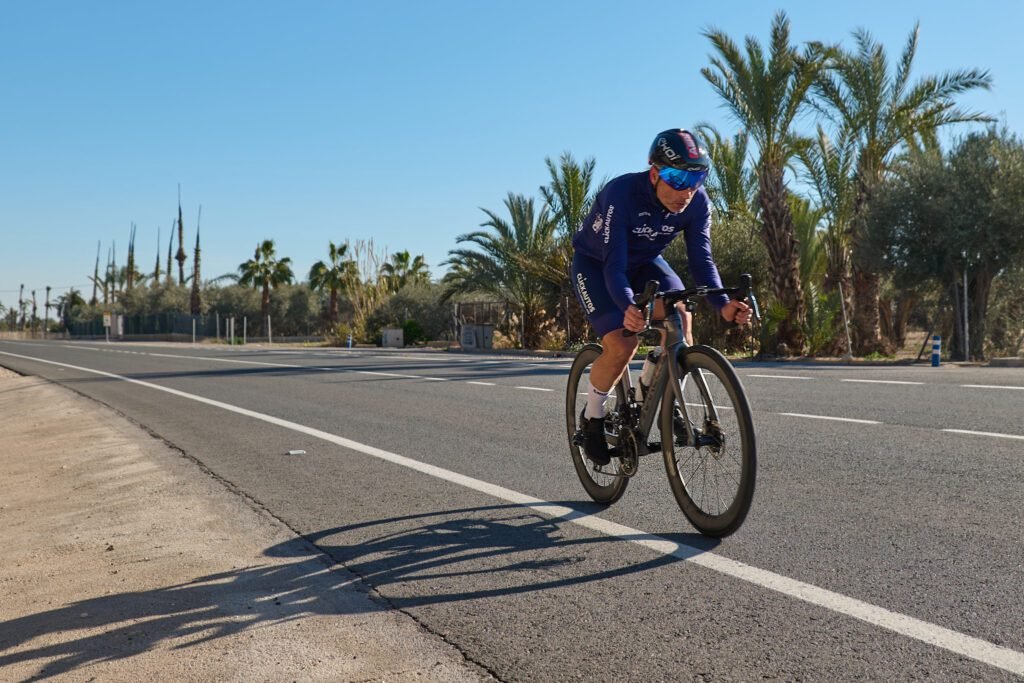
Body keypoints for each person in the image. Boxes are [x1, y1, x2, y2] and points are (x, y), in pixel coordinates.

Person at [571, 129, 752, 466]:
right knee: (623, 345)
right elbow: (614, 267)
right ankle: (593, 417)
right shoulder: (621, 194)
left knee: (681, 319)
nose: (686, 189)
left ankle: (663, 398)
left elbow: (702, 260)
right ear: (655, 173)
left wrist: (723, 303)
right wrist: (628, 307)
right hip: (597, 266)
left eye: (696, 177)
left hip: (643, 264)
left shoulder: (697, 201)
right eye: (676, 177)